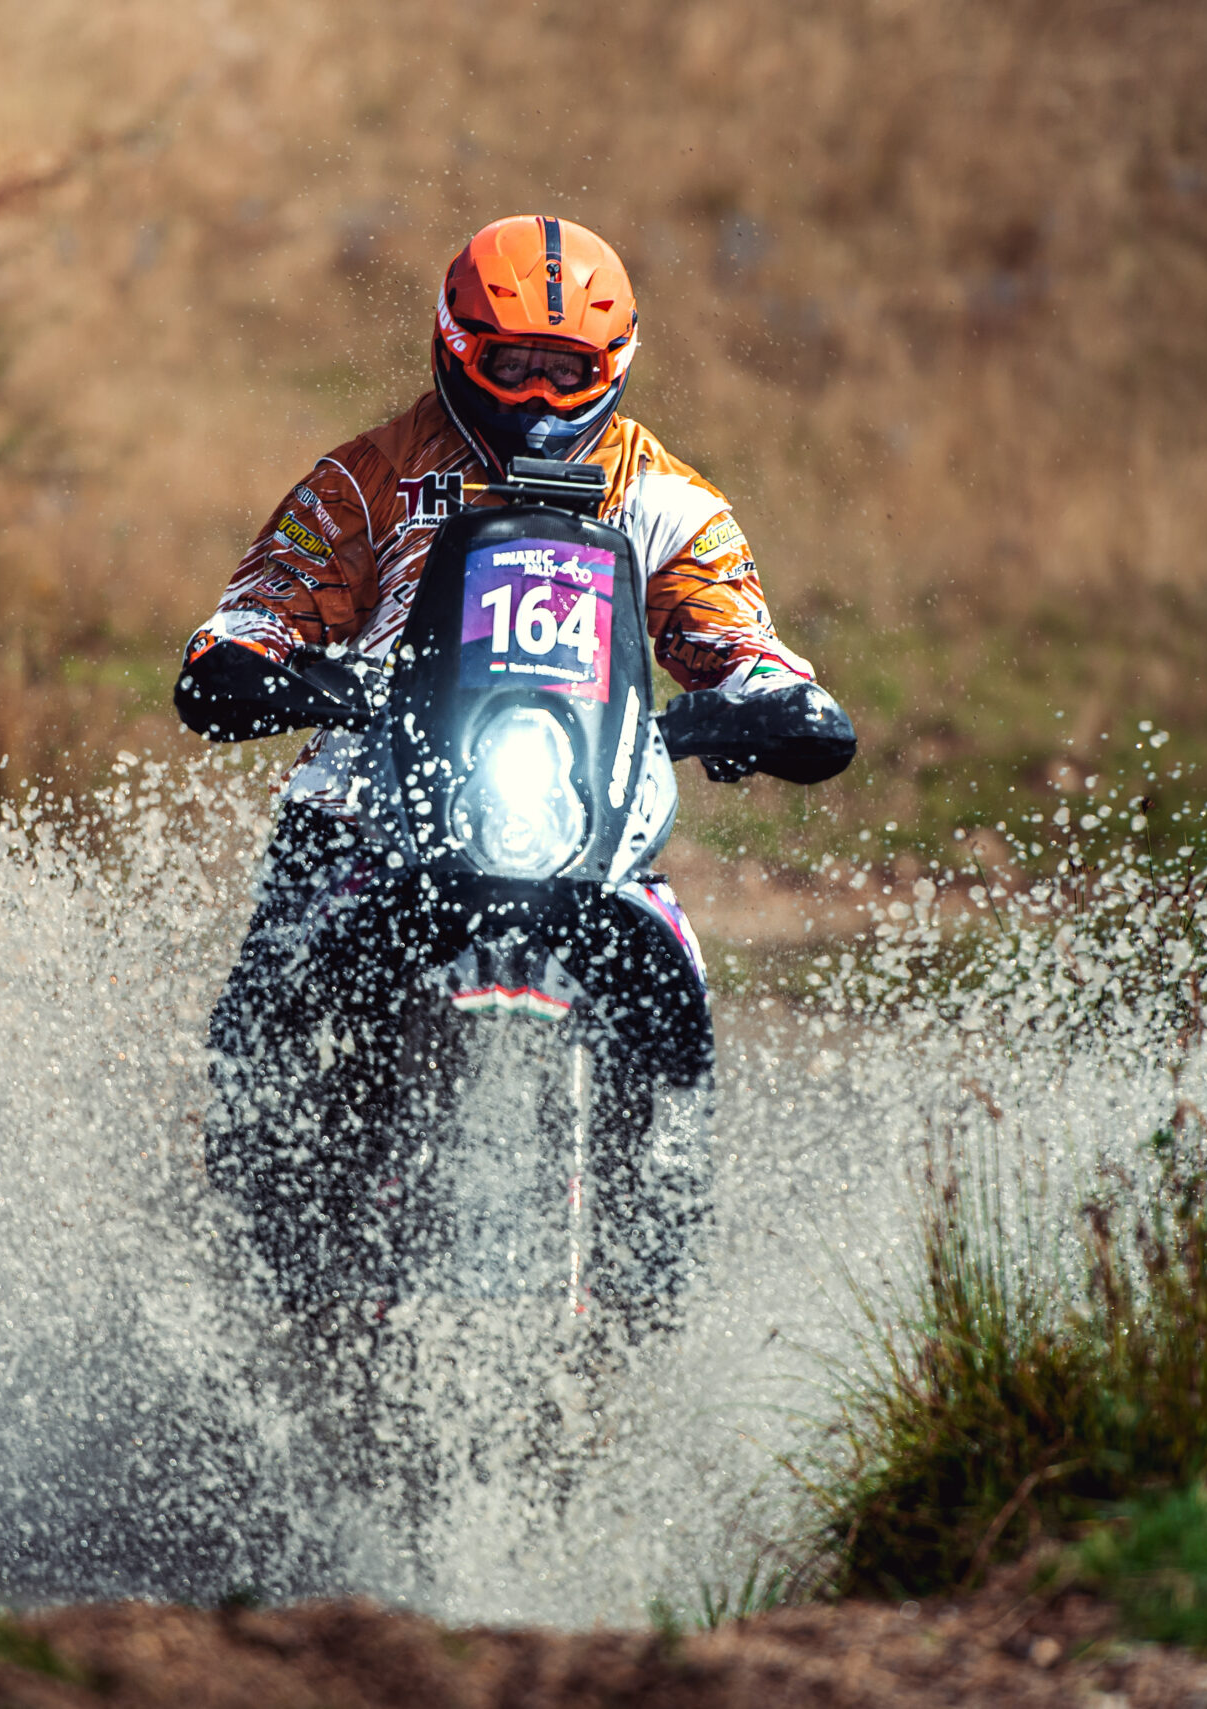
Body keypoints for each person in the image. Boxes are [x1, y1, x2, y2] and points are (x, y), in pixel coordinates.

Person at [175, 215, 854, 1324]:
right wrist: (255, 660)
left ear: (613, 365)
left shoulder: (670, 500)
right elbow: (253, 614)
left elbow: (741, 635)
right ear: (456, 348)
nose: (538, 397)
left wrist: (768, 696)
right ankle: (256, 1291)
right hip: (365, 809)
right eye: (512, 366)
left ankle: (648, 1263)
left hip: (578, 824)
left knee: (673, 976)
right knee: (261, 1023)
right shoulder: (366, 479)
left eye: (564, 370)